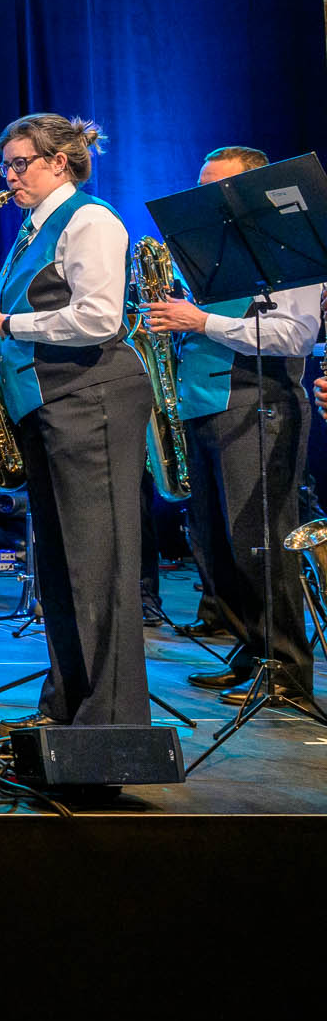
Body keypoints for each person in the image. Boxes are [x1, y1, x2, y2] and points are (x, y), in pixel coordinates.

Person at [0, 113, 153, 731]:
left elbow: (99, 319)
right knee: (62, 569)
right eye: (5, 165)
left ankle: (109, 726)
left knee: (98, 567)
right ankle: (67, 710)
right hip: (49, 404)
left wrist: (4, 324)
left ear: (58, 163)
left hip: (92, 400)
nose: (8, 177)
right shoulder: (32, 229)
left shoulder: (90, 219)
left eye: (20, 164)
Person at [145, 146, 320, 710]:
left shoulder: (287, 250)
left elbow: (293, 335)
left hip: (258, 401)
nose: (203, 198)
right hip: (200, 404)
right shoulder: (207, 254)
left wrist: (200, 319)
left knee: (260, 543)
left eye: (216, 186)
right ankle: (251, 652)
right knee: (214, 544)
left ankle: (288, 671)